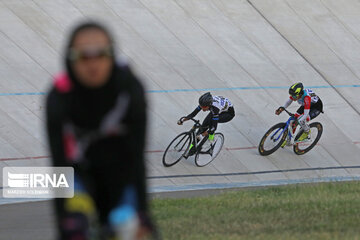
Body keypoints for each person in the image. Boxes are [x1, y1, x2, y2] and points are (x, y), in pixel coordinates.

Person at [46, 21, 154, 240]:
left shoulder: (130, 90)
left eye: (101, 54)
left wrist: (142, 215)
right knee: (74, 227)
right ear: (70, 59)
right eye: (83, 56)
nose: (93, 64)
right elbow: (59, 168)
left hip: (120, 172)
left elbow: (137, 159)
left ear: (113, 56)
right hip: (80, 174)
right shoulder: (59, 98)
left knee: (131, 227)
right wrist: (64, 226)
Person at [178, 92, 235, 156]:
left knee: (212, 123)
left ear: (209, 105)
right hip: (220, 109)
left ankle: (210, 140)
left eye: (204, 107)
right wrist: (183, 120)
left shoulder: (215, 109)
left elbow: (214, 127)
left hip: (227, 114)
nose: (202, 108)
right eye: (201, 106)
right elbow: (193, 114)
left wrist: (205, 133)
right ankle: (190, 150)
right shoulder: (204, 104)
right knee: (202, 128)